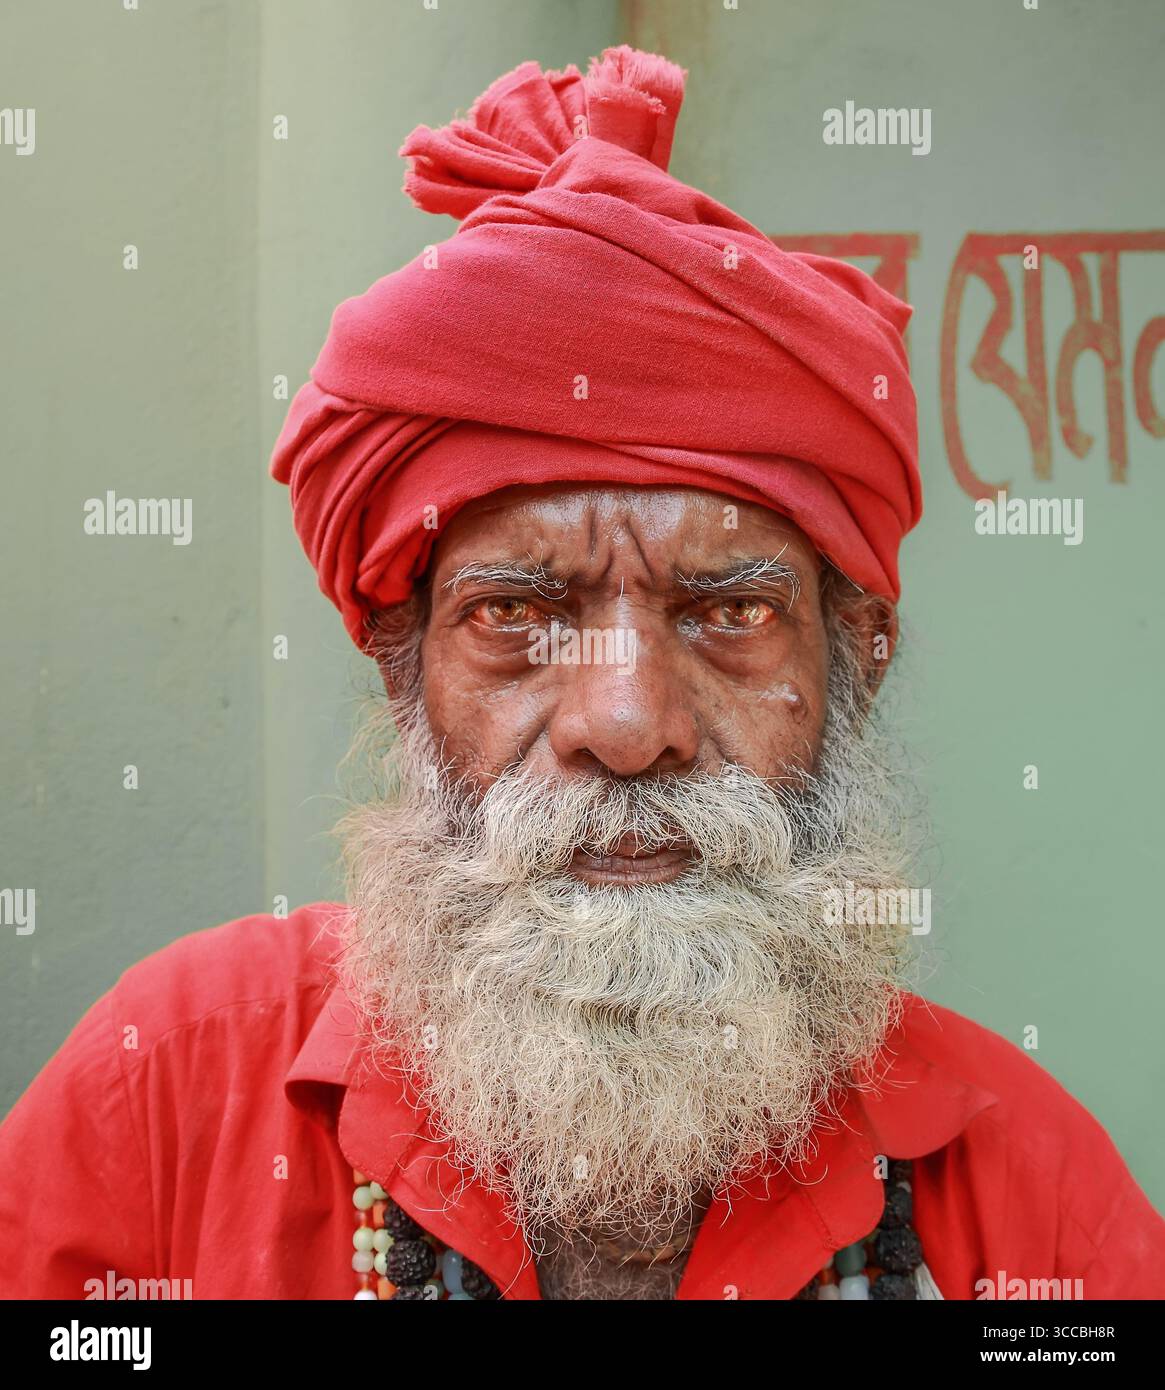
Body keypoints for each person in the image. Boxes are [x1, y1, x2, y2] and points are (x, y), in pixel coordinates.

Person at [1, 45, 1161, 1301]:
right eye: (515, 613)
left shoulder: (1028, 1198)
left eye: (727, 613)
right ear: (404, 667)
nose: (624, 724)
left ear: (855, 662)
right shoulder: (165, 1089)